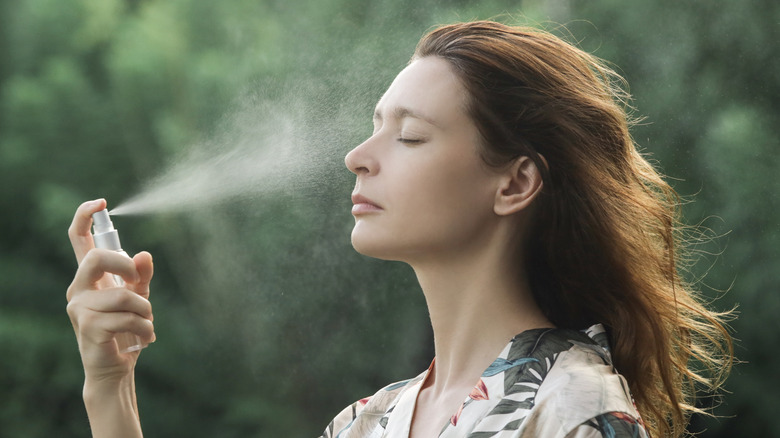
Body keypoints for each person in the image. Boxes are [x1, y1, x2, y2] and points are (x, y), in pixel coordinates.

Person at [66, 21, 733, 438]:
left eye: (410, 135)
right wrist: (110, 385)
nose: (358, 156)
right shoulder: (367, 423)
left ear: (515, 183)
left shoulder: (574, 411)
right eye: (374, 124)